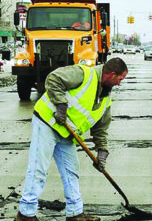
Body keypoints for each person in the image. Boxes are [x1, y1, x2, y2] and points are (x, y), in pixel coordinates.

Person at [15, 57, 128, 221]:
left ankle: (75, 213)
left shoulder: (105, 98)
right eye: (120, 79)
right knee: (38, 168)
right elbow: (53, 78)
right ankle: (25, 214)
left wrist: (102, 152)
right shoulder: (83, 74)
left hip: (67, 133)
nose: (119, 83)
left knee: (71, 171)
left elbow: (101, 129)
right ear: (111, 74)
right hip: (47, 122)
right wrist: (61, 105)